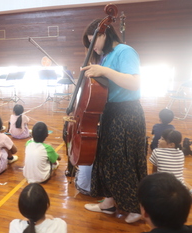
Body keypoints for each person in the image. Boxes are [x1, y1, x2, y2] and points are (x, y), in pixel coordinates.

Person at [82, 19, 147, 223]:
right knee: (105, 159)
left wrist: (104, 71)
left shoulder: (125, 51)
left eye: (94, 42)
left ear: (104, 35)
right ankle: (109, 203)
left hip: (127, 113)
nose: (94, 47)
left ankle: (134, 208)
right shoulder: (105, 56)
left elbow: (134, 82)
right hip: (110, 112)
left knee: (123, 160)